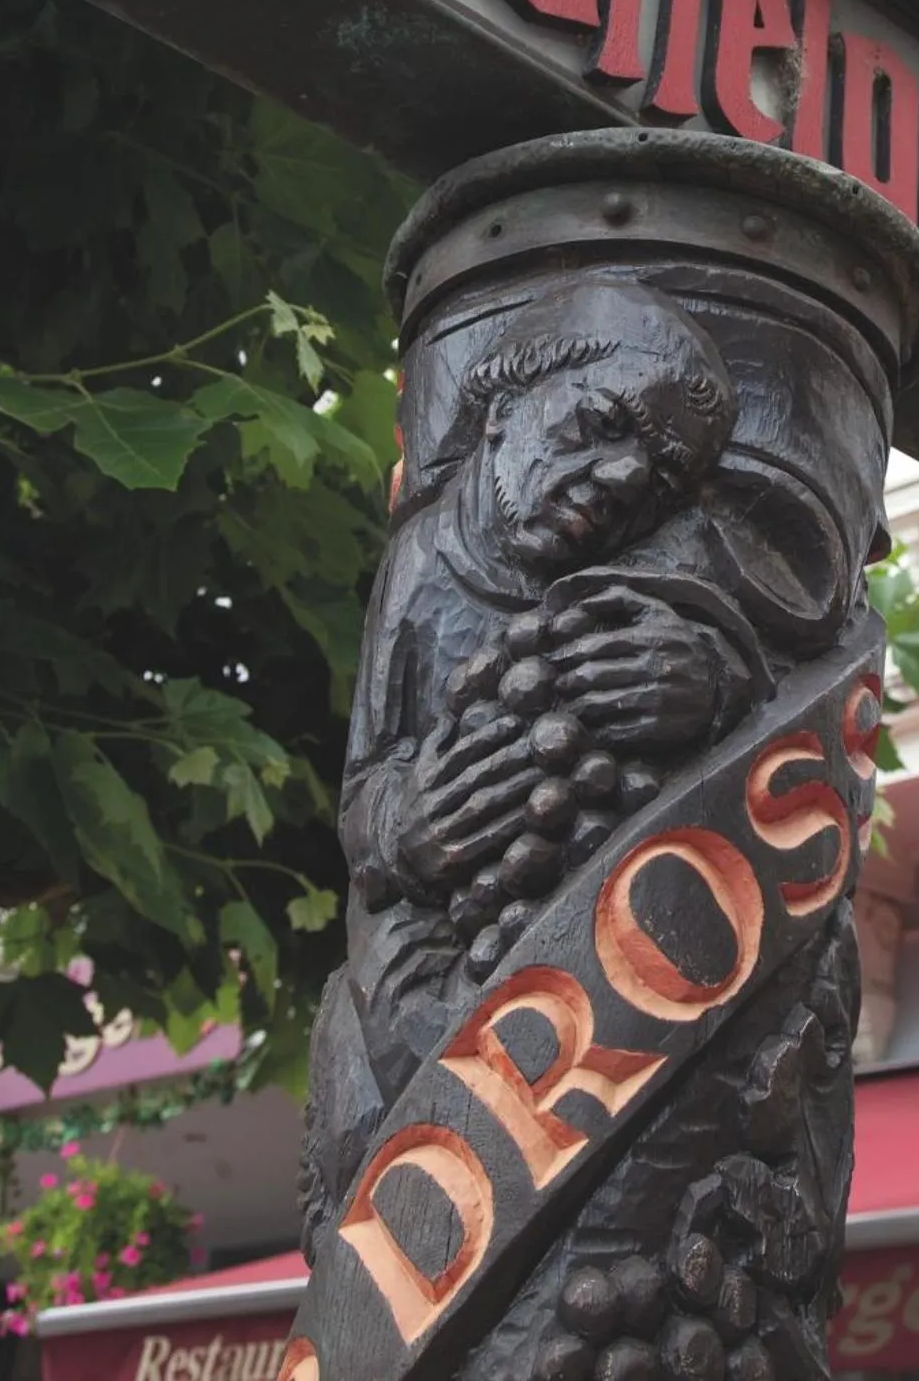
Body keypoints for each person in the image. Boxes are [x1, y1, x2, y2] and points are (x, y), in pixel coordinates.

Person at [301, 280, 759, 1254]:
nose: (619, 477)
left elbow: (748, 655)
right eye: (601, 422)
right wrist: (404, 823)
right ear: (506, 402)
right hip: (423, 993)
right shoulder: (422, 568)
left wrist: (703, 682)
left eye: (657, 474)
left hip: (602, 992)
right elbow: (367, 790)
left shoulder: (637, 581)